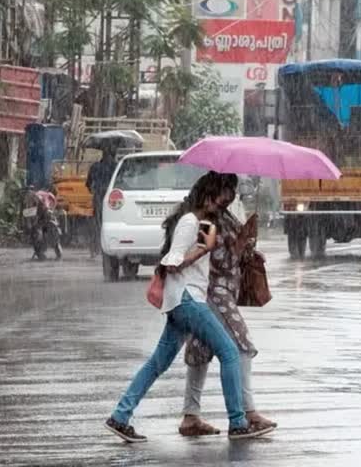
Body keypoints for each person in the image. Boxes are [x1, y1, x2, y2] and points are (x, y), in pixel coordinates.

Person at [105, 173, 276, 443]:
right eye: (223, 196)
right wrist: (202, 250)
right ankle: (238, 422)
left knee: (156, 364)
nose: (225, 202)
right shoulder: (189, 221)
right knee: (230, 352)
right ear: (208, 194)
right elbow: (171, 262)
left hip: (179, 301)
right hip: (188, 299)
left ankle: (120, 416)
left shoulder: (198, 221)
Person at [179, 173, 276, 436]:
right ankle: (248, 412)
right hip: (213, 293)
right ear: (213, 190)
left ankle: (190, 416)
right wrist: (240, 245)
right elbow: (213, 258)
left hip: (221, 292)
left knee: (199, 352)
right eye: (226, 189)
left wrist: (249, 248)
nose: (230, 195)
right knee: (241, 345)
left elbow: (234, 253)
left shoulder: (225, 216)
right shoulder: (207, 219)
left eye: (233, 189)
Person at [86, 147, 117, 257]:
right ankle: (110, 247)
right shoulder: (116, 166)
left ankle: (95, 248)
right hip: (112, 199)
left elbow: (88, 184)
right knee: (113, 222)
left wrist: (94, 190)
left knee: (98, 223)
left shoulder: (95, 166)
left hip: (98, 197)